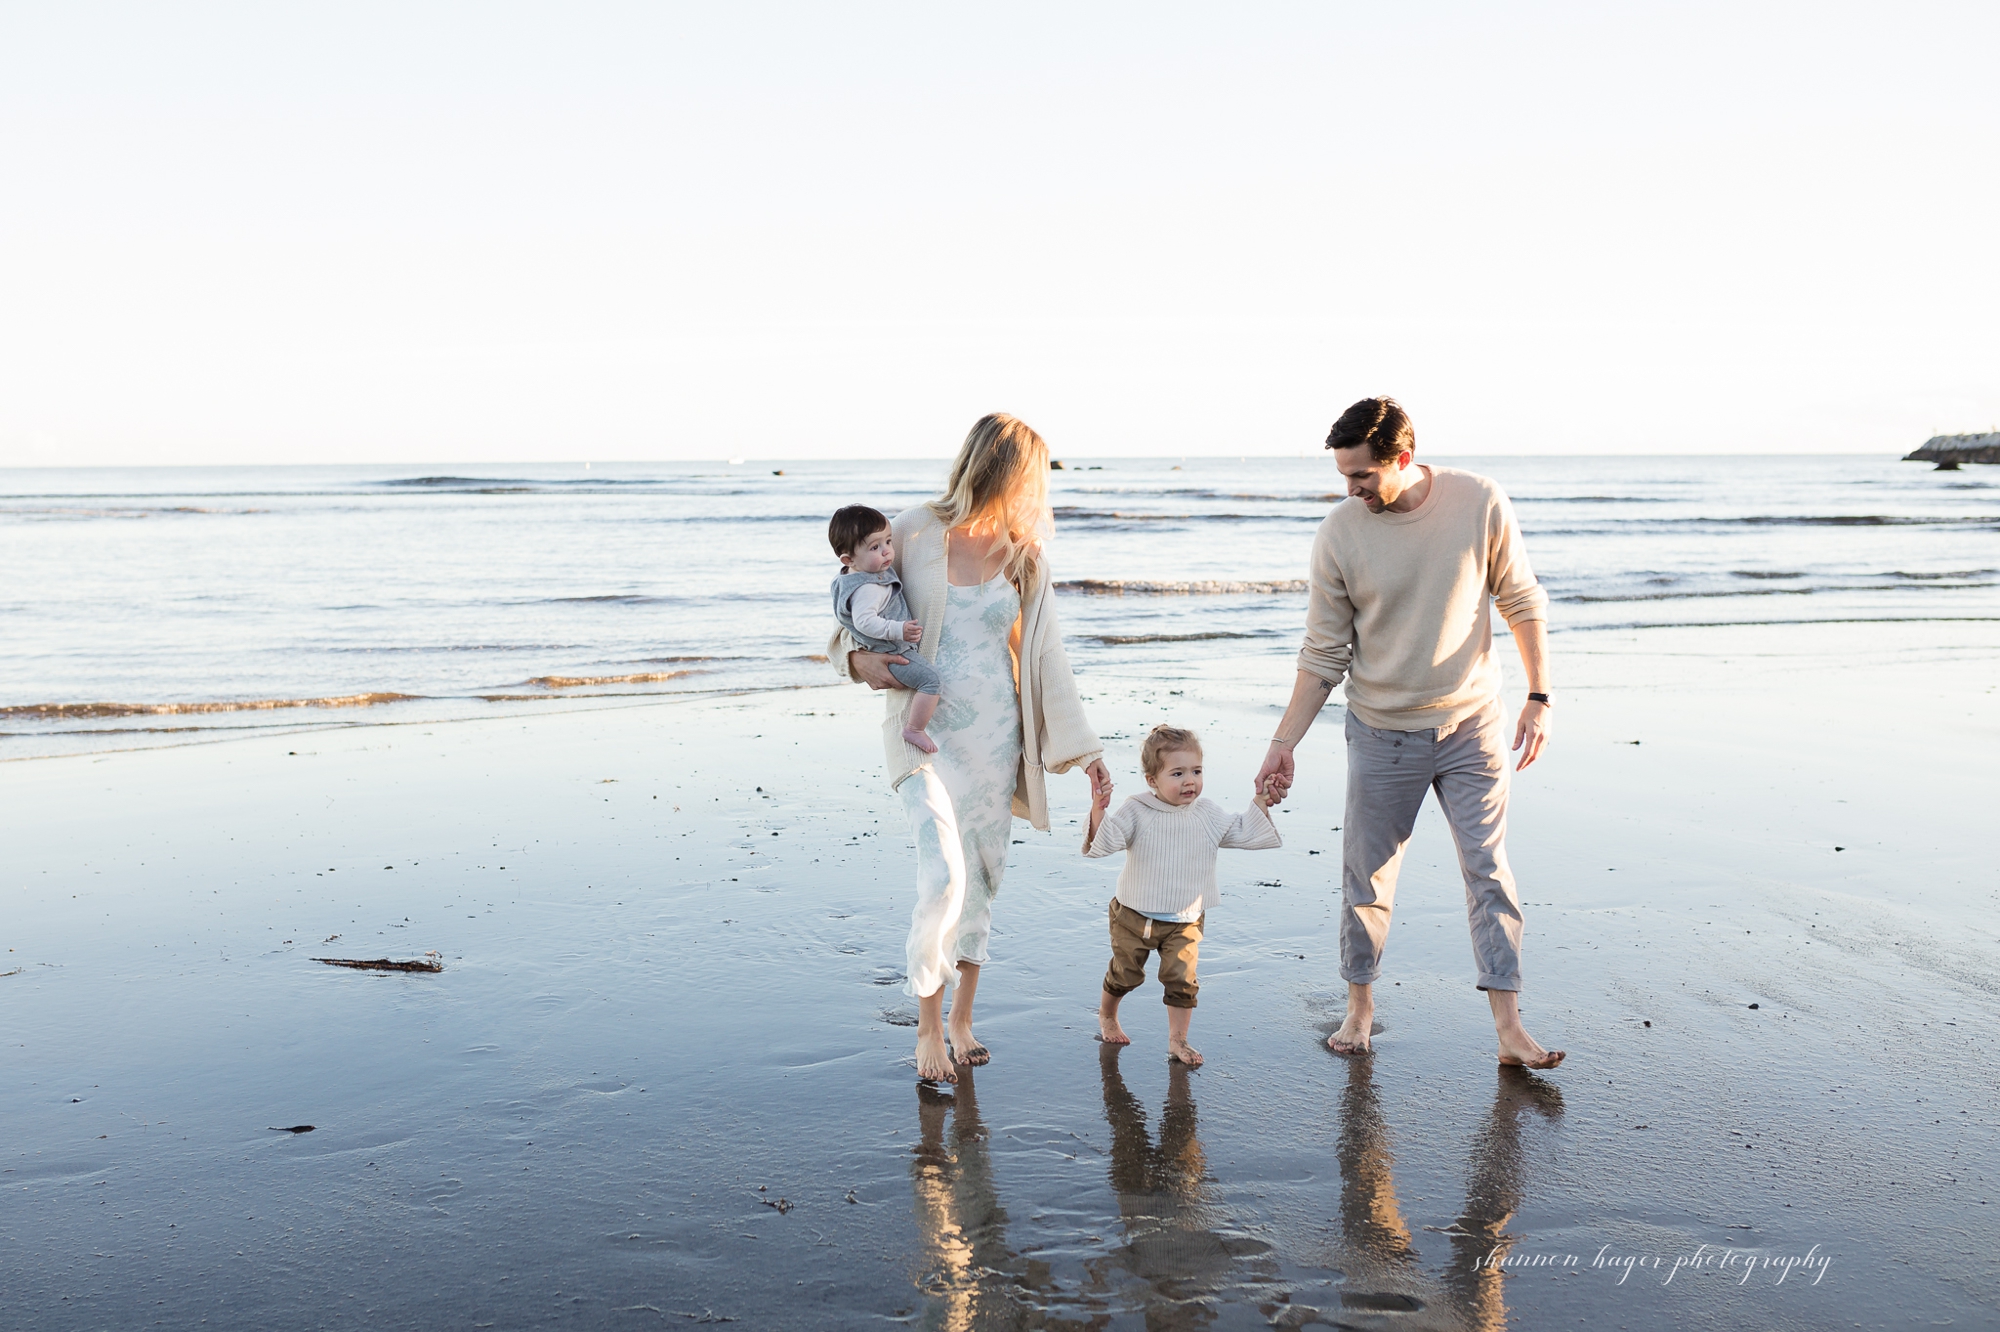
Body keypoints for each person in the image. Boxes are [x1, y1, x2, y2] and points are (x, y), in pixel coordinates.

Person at [1254, 397, 1565, 1070]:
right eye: (1344, 476)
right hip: (1382, 731)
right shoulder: (1340, 533)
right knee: (1367, 879)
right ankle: (1359, 1010)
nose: (1351, 490)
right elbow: (1322, 654)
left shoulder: (1479, 501)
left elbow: (1520, 600)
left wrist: (1539, 696)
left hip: (1472, 724)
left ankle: (1510, 1028)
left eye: (1362, 476)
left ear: (1402, 458)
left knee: (1489, 872)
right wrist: (1283, 744)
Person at [832, 413, 1112, 1083]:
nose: (1035, 492)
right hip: (925, 736)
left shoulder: (1023, 554)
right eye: (1029, 478)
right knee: (943, 875)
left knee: (981, 881)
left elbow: (1047, 658)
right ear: (1000, 471)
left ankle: (961, 1020)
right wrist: (859, 663)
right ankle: (928, 1026)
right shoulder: (911, 532)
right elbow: (848, 614)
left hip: (995, 738)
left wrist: (1087, 753)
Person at [1084, 725, 1281, 1067]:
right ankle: (1108, 1015)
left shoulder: (1207, 814)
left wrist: (1261, 802)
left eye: (1196, 771)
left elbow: (1243, 830)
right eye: (1177, 773)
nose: (1190, 781)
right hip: (1134, 916)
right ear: (1152, 780)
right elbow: (1108, 840)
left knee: (1182, 980)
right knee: (1126, 974)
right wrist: (1099, 810)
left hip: (1185, 920)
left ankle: (1178, 1040)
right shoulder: (1137, 810)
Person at [828, 505, 941, 753]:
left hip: (888, 649)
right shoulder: (867, 588)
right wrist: (898, 630)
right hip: (892, 652)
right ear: (848, 560)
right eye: (874, 547)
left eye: (888, 541)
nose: (887, 551)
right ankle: (914, 729)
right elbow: (864, 622)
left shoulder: (855, 575)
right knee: (931, 681)